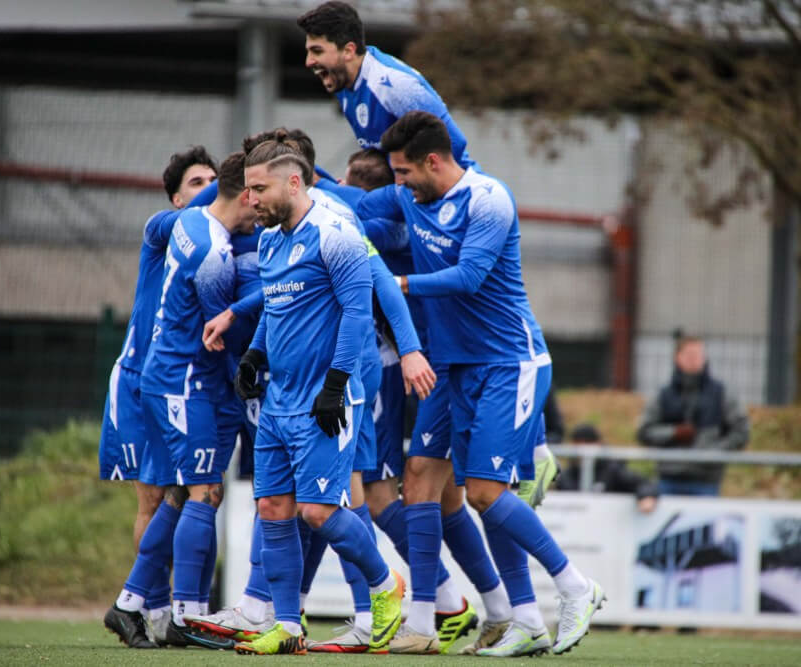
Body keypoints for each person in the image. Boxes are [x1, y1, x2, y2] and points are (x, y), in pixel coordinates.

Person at [360, 111, 605, 657]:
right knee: (421, 477)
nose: (396, 184)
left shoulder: (489, 199)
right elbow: (351, 206)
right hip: (452, 368)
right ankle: (498, 621)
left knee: (487, 493)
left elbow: (469, 278)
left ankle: (576, 587)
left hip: (507, 364)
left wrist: (395, 281)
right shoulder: (408, 195)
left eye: (402, 172)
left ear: (432, 161)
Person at [231, 132, 406, 656]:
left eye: (259, 188)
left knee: (318, 512)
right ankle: (287, 626)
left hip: (325, 401)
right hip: (280, 401)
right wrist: (255, 355)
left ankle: (385, 585)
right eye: (247, 189)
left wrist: (336, 385)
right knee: (274, 509)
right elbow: (277, 310)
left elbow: (358, 315)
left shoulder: (337, 234)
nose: (251, 200)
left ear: (293, 180)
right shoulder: (269, 239)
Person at [103, 152, 255, 650]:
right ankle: (184, 614)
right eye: (196, 182)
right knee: (202, 493)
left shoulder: (193, 222)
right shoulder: (209, 250)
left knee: (179, 494)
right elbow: (219, 333)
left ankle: (131, 605)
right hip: (180, 382)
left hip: (172, 378)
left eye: (212, 180)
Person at [297, 1, 475, 168]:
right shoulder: (344, 84)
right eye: (308, 52)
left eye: (317, 51)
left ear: (348, 51)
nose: (309, 62)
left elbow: (454, 145)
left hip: (453, 196)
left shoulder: (394, 85)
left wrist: (404, 189)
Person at [636, 333, 750, 496]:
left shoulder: (721, 394)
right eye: (689, 354)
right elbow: (644, 432)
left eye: (698, 354)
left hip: (706, 481)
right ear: (677, 357)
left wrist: (712, 454)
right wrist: (673, 433)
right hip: (668, 478)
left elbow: (741, 432)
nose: (694, 359)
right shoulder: (663, 395)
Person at [558, 424, 659, 513]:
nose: (583, 449)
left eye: (587, 442)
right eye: (578, 444)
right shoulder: (566, 475)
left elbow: (643, 484)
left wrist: (646, 496)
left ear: (599, 443)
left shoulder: (613, 470)